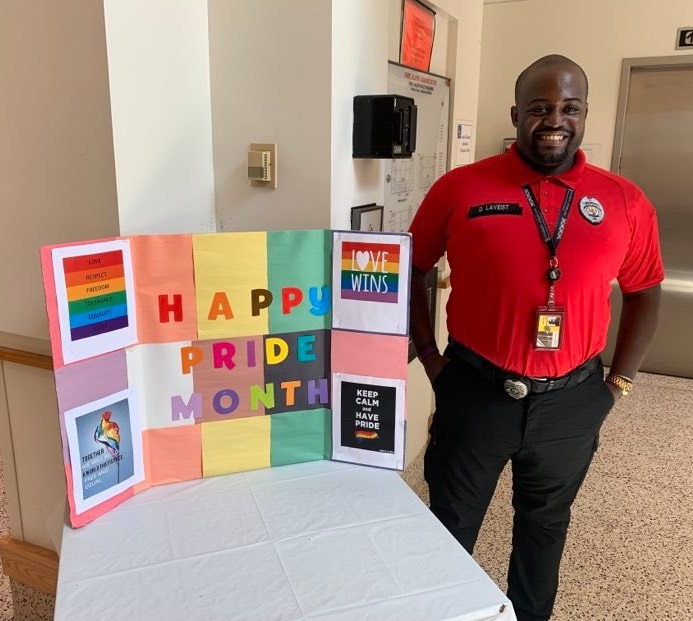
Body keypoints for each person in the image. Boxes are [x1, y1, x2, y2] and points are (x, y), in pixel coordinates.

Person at [408, 54, 663, 621]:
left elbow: (645, 290)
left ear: (585, 114)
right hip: (474, 388)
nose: (555, 119)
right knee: (449, 525)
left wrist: (617, 382)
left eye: (570, 108)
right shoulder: (460, 188)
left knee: (545, 529)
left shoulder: (623, 200)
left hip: (572, 399)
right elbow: (411, 269)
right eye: (541, 107)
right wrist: (429, 359)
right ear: (517, 113)